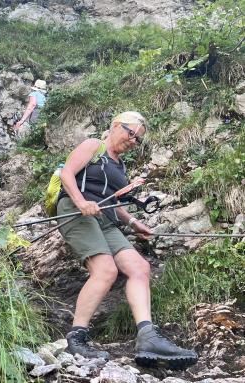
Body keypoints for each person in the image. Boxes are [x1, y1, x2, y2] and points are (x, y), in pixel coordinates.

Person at [57, 111, 198, 369]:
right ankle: (76, 337)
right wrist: (81, 202)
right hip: (76, 212)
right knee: (105, 270)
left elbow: (113, 203)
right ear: (114, 126)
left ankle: (147, 337)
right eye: (129, 132)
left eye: (137, 139)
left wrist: (134, 223)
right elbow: (67, 173)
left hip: (106, 219)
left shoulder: (120, 166)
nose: (132, 140)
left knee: (140, 268)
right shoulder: (92, 146)